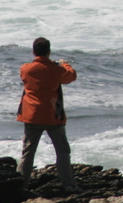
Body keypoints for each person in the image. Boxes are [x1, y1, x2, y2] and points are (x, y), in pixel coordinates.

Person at [16, 37, 82, 193]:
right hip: (53, 115)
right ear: (49, 52)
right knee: (62, 151)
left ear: (34, 52)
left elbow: (29, 76)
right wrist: (64, 64)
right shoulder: (56, 70)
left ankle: (21, 184)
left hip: (32, 114)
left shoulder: (26, 69)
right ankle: (68, 184)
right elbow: (71, 76)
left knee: (28, 153)